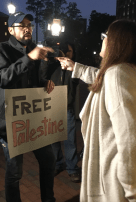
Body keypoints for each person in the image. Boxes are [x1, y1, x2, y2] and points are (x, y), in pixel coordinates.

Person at [57, 19, 136, 202]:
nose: (102, 40)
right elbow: (102, 79)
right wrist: (74, 67)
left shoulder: (118, 74)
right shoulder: (133, 70)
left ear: (115, 42)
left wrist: (131, 187)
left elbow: (130, 136)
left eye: (105, 36)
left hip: (118, 180)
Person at [0, 11, 56, 202]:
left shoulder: (35, 49)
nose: (27, 28)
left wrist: (45, 82)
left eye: (29, 25)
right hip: (11, 121)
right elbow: (2, 79)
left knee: (48, 160)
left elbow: (35, 80)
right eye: (22, 25)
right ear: (11, 30)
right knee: (14, 172)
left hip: (33, 117)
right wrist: (29, 58)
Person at [48, 42, 81, 183]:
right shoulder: (51, 66)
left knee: (70, 141)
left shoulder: (74, 68)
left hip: (67, 108)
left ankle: (72, 168)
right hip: (52, 107)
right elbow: (42, 74)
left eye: (70, 51)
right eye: (65, 51)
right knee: (53, 139)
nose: (67, 54)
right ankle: (58, 163)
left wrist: (70, 67)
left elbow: (75, 82)